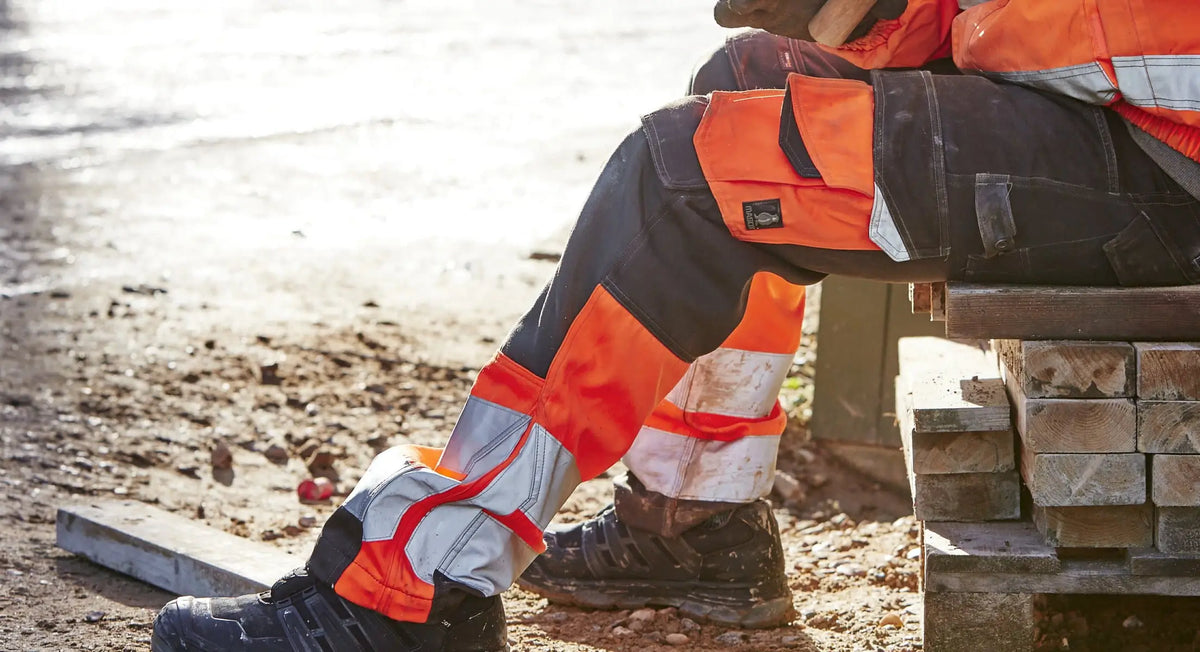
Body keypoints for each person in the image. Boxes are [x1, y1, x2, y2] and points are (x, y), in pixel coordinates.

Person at [151, 1, 1200, 650]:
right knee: (748, 81)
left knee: (687, 182)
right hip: (1109, 120)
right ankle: (696, 526)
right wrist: (861, 8)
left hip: (1167, 164)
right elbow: (1020, 24)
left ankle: (409, 598)